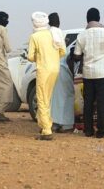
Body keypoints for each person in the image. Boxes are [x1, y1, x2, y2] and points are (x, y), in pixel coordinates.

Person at [74, 8, 104, 138]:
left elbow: (76, 56)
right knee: (102, 102)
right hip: (103, 73)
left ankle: (88, 130)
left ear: (87, 19)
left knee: (88, 102)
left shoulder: (82, 35)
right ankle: (101, 130)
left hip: (88, 74)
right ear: (99, 18)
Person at [29, 12, 65, 141]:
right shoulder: (54, 33)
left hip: (43, 70)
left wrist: (39, 58)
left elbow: (30, 56)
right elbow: (63, 52)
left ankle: (46, 130)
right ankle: (44, 123)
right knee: (47, 98)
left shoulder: (35, 36)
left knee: (42, 99)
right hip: (55, 69)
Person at [47, 12, 73, 132]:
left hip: (50, 69)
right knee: (66, 96)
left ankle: (55, 123)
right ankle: (66, 124)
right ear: (58, 22)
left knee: (53, 97)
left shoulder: (47, 34)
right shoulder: (60, 33)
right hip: (61, 68)